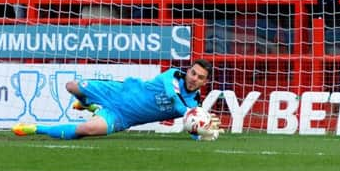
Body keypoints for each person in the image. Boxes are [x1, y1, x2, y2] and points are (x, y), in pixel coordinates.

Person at [12, 59, 222, 141]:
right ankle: (87, 103)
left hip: (122, 117)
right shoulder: (173, 76)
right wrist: (189, 114)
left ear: (205, 82)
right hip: (117, 92)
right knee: (71, 86)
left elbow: (192, 128)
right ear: (188, 71)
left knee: (85, 130)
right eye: (193, 73)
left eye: (200, 77)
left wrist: (203, 133)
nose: (194, 78)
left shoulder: (194, 105)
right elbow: (174, 99)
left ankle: (35, 128)